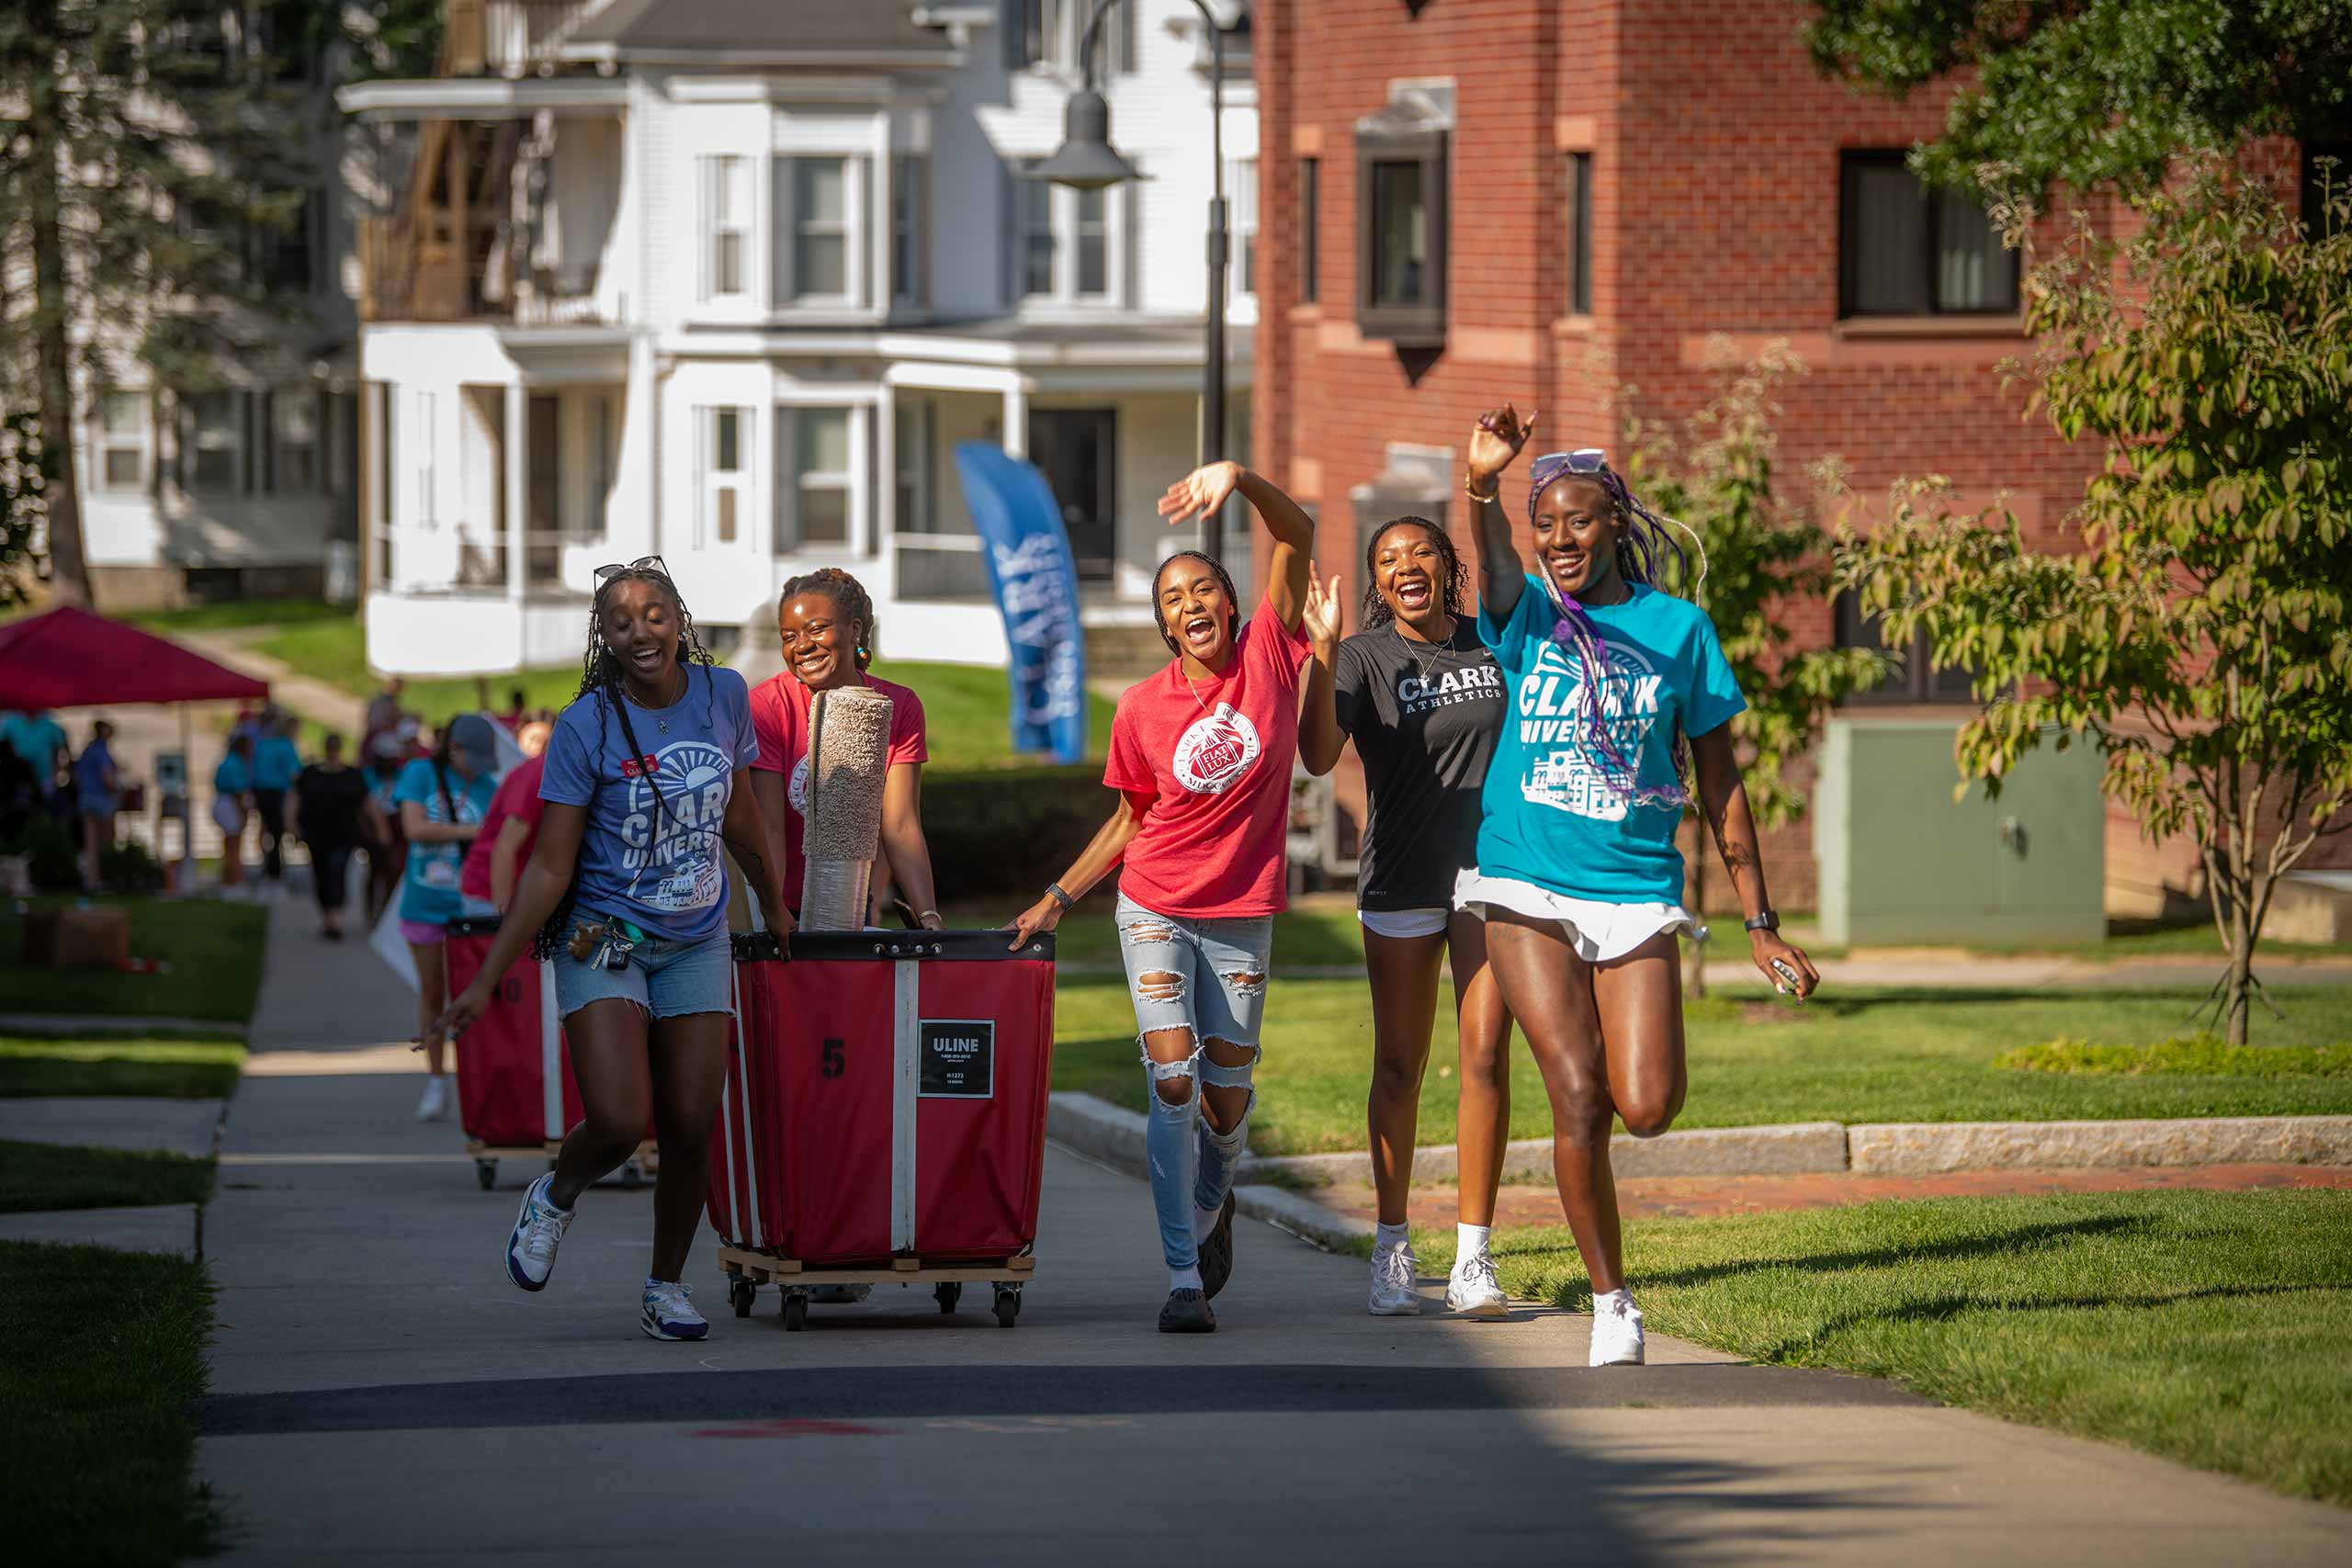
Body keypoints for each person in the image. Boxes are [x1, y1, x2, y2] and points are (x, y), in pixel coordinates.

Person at [1458, 406, 1820, 1367]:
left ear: (1615, 523)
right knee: (1577, 1095)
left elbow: (1722, 776)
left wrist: (1760, 921)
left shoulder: (1679, 630)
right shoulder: (1526, 612)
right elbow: (1491, 561)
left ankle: (1604, 1225)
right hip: (1525, 883)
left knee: (1647, 1105)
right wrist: (1481, 485)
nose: (1559, 540)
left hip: (1633, 889)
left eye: (1577, 521)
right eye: (1546, 525)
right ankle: (1612, 1302)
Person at [435, 558, 787, 1343]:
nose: (640, 632)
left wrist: (774, 901)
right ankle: (556, 1194)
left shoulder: (724, 693)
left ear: (679, 618)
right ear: (605, 635)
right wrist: (488, 977)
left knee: (693, 1124)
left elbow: (739, 817)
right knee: (623, 1118)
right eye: (622, 621)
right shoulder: (586, 725)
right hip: (605, 934)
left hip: (697, 937)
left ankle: (665, 1287)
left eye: (654, 614)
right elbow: (550, 865)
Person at [1006, 463, 1314, 1335]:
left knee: (1226, 1103)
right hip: (1156, 907)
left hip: (1241, 914)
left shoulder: (1269, 654)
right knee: (1172, 1079)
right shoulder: (1142, 708)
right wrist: (1057, 896)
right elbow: (1130, 820)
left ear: (1230, 600)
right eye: (1175, 597)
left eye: (1206, 587)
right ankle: (1183, 1273)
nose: (1193, 604)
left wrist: (1242, 479)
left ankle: (1215, 1200)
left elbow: (1297, 535)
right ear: (1163, 623)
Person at [1297, 518, 1514, 1318]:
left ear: (1449, 566)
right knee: (1399, 1066)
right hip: (1400, 877)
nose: (1406, 567)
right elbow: (1318, 754)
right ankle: (1393, 1245)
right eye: (1388, 560)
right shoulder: (1362, 655)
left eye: (1421, 552)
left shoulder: (1492, 637)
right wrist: (1322, 652)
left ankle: (1473, 1258)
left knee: (1485, 1055)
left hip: (1492, 872)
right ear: (1378, 583)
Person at [747, 568, 940, 931]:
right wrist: (771, 913)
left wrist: (927, 915)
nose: (801, 645)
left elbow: (899, 824)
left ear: (854, 630)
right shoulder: (766, 706)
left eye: (817, 629)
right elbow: (769, 827)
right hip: (779, 903)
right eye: (789, 636)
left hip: (850, 904)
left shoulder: (897, 706)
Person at [396, 716, 501, 1122]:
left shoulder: (489, 786)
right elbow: (414, 827)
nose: (477, 767)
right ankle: (437, 1078)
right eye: (471, 757)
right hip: (425, 902)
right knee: (432, 992)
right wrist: (472, 831)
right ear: (453, 748)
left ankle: (481, 1080)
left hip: (472, 909)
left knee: (477, 997)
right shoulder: (421, 773)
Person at [458, 719, 551, 917]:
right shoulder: (538, 775)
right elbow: (504, 848)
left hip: (514, 892)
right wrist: (503, 916)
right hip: (488, 894)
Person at [289, 734, 370, 941]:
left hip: (344, 834)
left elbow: (367, 804)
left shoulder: (352, 775)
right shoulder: (310, 774)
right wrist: (292, 826)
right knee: (321, 874)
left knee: (338, 871)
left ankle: (335, 918)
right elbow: (294, 799)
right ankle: (327, 915)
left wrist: (377, 829)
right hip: (316, 835)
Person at [250, 710, 302, 891]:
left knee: (267, 830)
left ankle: (269, 866)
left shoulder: (262, 744)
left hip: (260, 791)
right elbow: (295, 774)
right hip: (276, 792)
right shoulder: (285, 746)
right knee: (278, 832)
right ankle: (274, 870)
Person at [360, 730, 407, 922]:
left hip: (397, 824)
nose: (390, 763)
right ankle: (371, 911)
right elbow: (364, 806)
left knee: (394, 870)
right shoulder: (366, 775)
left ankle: (386, 913)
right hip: (373, 827)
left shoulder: (401, 775)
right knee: (375, 869)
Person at [73, 718, 120, 889]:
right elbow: (106, 777)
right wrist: (117, 791)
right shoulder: (101, 751)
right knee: (104, 842)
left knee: (90, 842)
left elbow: (77, 775)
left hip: (86, 799)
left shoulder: (87, 750)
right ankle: (103, 877)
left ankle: (92, 879)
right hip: (100, 800)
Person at [213, 734, 256, 891]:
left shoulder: (227, 761)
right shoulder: (235, 763)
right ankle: (234, 881)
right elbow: (238, 793)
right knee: (234, 846)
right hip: (230, 805)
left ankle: (227, 879)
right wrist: (243, 814)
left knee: (229, 845)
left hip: (222, 803)